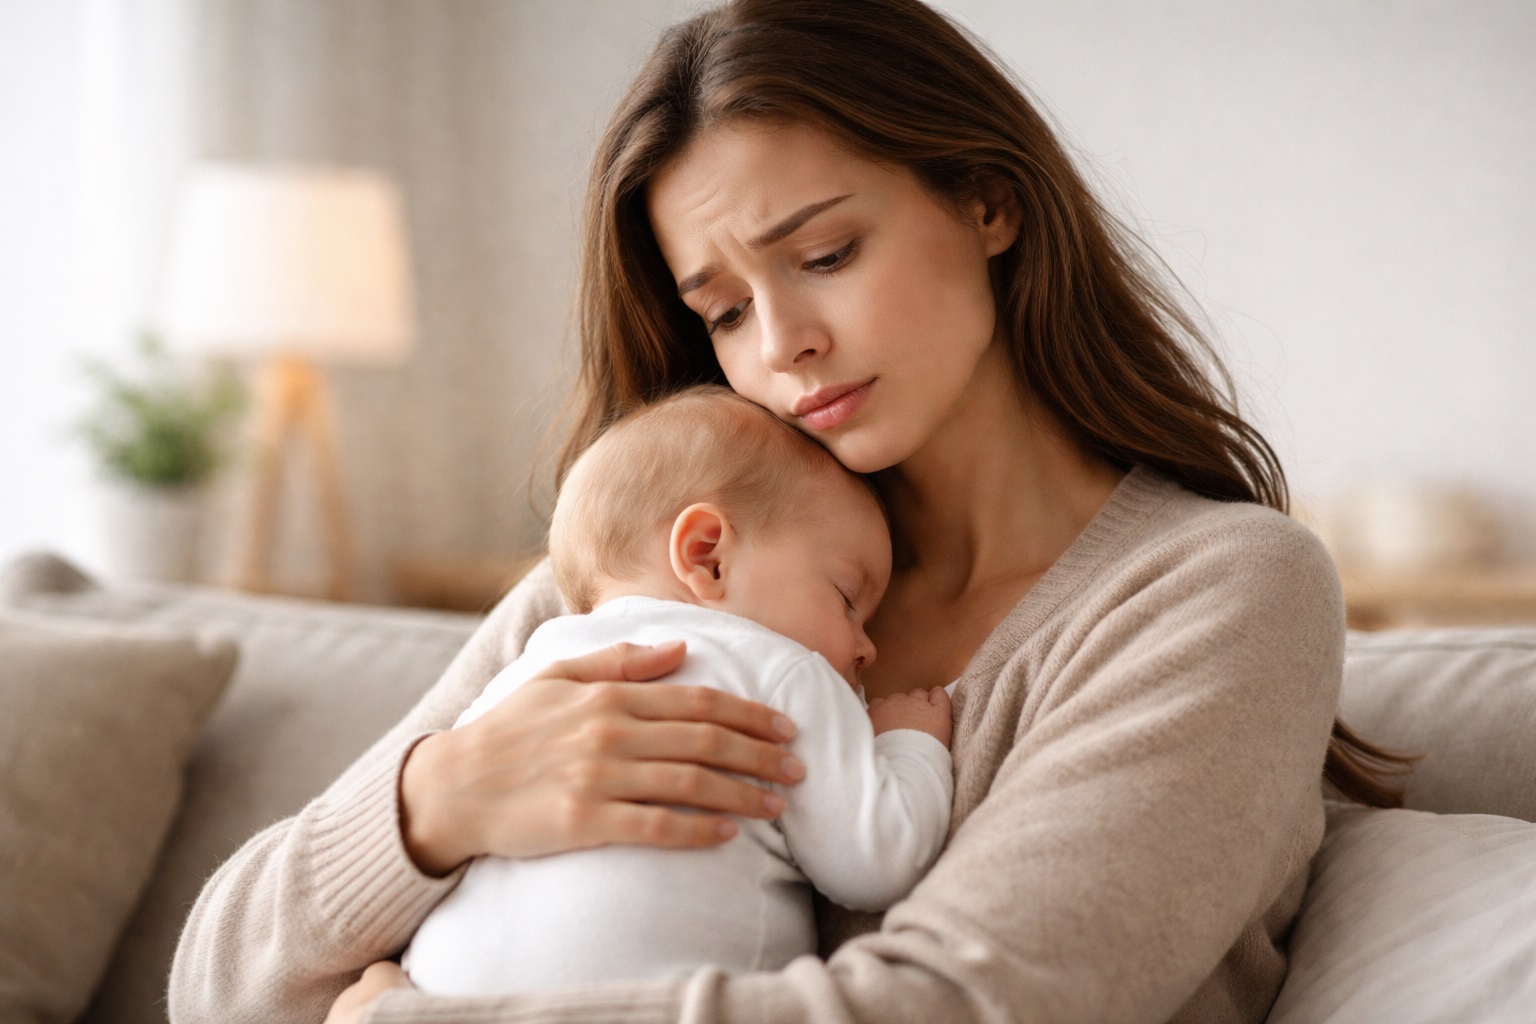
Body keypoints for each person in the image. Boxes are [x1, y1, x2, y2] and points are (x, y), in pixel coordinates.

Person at [170, 1, 1410, 1021]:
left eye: (824, 256)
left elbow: (957, 1007)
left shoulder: (1221, 591)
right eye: (720, 309)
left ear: (989, 202)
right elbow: (220, 986)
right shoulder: (663, 573)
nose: (784, 344)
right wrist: (433, 802)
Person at [401, 385, 954, 994]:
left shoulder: (522, 675)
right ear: (707, 555)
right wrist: (909, 742)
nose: (865, 648)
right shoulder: (784, 672)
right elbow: (878, 860)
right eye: (847, 600)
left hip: (436, 990)